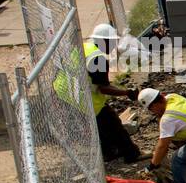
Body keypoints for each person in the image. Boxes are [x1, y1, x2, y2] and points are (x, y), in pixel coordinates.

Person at [57, 23, 143, 163]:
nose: (114, 46)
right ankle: (131, 154)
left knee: (99, 124)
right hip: (80, 95)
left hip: (64, 91)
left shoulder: (85, 47)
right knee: (111, 122)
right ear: (104, 41)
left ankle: (109, 153)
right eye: (113, 42)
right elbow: (103, 88)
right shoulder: (98, 59)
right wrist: (127, 92)